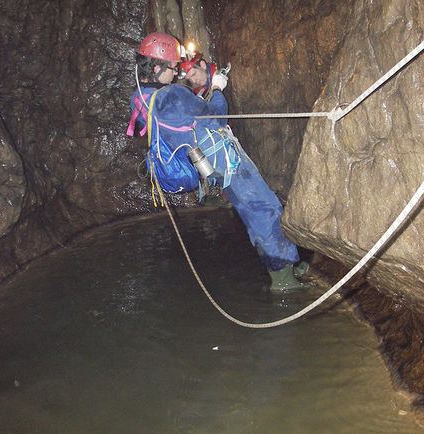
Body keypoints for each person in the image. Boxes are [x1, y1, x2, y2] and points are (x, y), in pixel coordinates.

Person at [127, 32, 308, 292]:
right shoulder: (174, 95)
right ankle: (283, 277)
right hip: (224, 159)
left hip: (206, 164)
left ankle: (288, 261)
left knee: (249, 209)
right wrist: (218, 88)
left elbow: (179, 119)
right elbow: (216, 117)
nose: (176, 73)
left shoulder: (140, 97)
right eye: (173, 68)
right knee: (264, 208)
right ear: (156, 68)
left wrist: (194, 95)